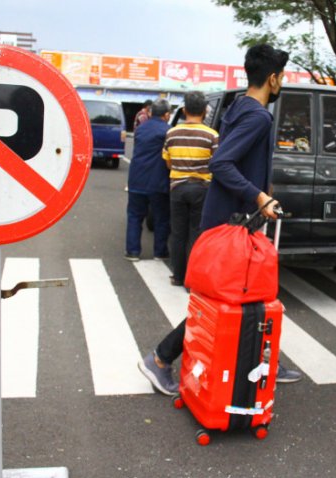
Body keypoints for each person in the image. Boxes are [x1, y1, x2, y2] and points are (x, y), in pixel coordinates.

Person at [138, 44, 302, 395]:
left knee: (244, 297)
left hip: (227, 217)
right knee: (227, 299)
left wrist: (261, 189)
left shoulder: (237, 106)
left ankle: (264, 363)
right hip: (234, 221)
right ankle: (161, 359)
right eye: (282, 77)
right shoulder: (257, 116)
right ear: (272, 78)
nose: (282, 82)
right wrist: (260, 196)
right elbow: (221, 163)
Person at [163, 91, 219, 286]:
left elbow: (168, 162)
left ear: (184, 110)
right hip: (201, 188)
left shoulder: (171, 133)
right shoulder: (212, 135)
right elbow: (216, 164)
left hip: (177, 187)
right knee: (196, 233)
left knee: (178, 233)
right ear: (205, 111)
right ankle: (192, 279)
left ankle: (177, 276)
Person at [125, 99, 171, 261]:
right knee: (161, 218)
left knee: (134, 216)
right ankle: (160, 252)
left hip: (136, 179)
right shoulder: (168, 131)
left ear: (151, 113)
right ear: (166, 115)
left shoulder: (140, 129)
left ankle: (132, 252)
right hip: (158, 181)